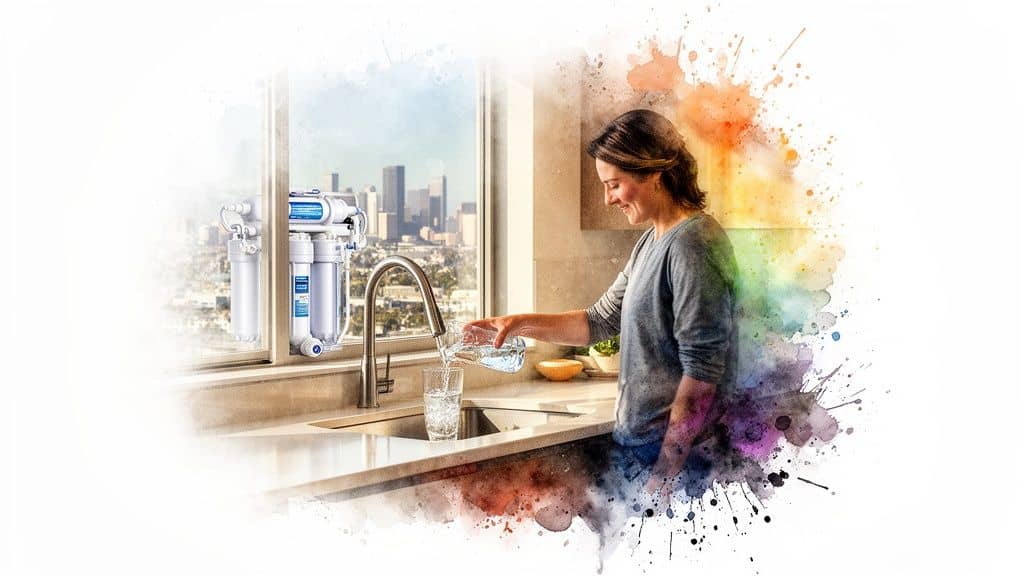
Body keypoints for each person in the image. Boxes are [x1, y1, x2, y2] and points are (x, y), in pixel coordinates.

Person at [466, 109, 738, 498]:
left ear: (653, 174)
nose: (608, 199)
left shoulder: (694, 245)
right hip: (640, 449)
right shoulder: (652, 241)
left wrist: (664, 479)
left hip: (677, 461)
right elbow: (599, 320)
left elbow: (702, 373)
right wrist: (517, 323)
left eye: (614, 184)